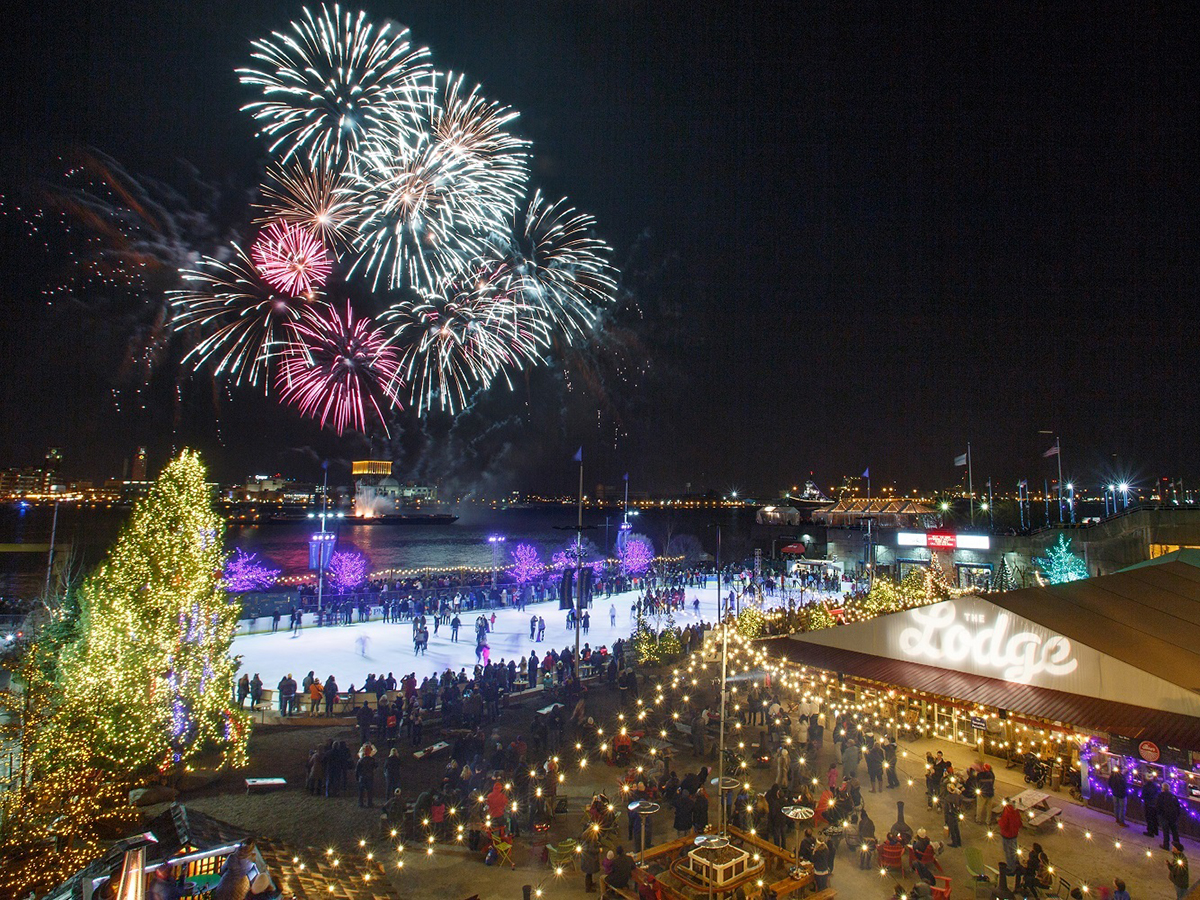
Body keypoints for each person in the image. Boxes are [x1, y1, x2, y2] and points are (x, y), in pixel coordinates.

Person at [999, 799, 1022, 870]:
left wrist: (999, 821)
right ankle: (1016, 863)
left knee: (1008, 852)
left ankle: (1010, 867)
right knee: (1014, 850)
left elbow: (1004, 824)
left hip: (1007, 835)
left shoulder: (1007, 812)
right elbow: (1020, 823)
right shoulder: (1016, 811)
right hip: (1014, 834)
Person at [1159, 786, 1183, 851]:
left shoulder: (1161, 795)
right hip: (1173, 816)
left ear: (1163, 789)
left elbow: (1158, 805)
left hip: (1165, 816)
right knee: (1174, 831)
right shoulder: (1173, 796)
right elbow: (1178, 806)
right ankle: (1177, 846)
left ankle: (1166, 845)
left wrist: (1160, 814)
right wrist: (1177, 815)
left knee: (1166, 831)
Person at [356, 743, 378, 808]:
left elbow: (357, 770)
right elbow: (376, 765)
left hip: (362, 777)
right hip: (369, 777)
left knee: (361, 792)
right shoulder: (372, 760)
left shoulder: (360, 760)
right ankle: (369, 803)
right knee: (369, 791)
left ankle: (361, 803)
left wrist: (357, 777)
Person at [1143, 771, 1162, 838]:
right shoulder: (1155, 786)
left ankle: (1150, 832)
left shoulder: (1146, 786)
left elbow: (1143, 795)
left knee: (1149, 818)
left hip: (1148, 804)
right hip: (1155, 804)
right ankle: (1155, 830)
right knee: (1154, 818)